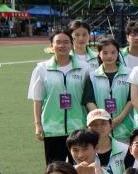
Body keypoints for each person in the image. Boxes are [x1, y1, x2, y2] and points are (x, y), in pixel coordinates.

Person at [29, 27, 95, 165]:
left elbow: (89, 98)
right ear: (51, 45)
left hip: (78, 128)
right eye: (58, 42)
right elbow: (37, 99)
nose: (62, 45)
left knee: (81, 168)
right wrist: (38, 125)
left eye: (66, 42)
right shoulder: (41, 69)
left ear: (72, 44)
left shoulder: (84, 68)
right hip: (53, 128)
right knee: (55, 168)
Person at [86, 35, 134, 143]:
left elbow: (131, 99)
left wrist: (118, 119)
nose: (109, 56)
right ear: (99, 54)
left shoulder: (130, 73)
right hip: (100, 129)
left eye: (113, 52)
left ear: (118, 53)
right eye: (105, 53)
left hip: (124, 128)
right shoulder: (92, 76)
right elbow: (89, 100)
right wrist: (102, 119)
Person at [87, 109, 129, 174]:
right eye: (94, 124)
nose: (99, 127)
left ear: (111, 125)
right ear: (87, 128)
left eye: (103, 123)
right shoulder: (83, 152)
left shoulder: (125, 149)